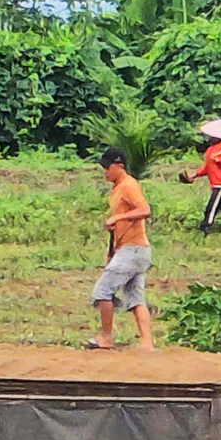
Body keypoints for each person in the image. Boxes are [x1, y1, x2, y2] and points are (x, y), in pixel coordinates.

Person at [86, 147, 154, 351]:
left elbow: (145, 210)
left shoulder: (128, 185)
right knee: (135, 296)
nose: (104, 171)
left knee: (103, 290)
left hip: (133, 250)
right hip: (132, 249)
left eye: (107, 167)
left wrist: (118, 217)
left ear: (119, 166)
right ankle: (146, 342)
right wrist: (112, 250)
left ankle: (106, 337)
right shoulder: (117, 188)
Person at [180, 118, 221, 236]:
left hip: (220, 184)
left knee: (211, 208)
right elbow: (207, 168)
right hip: (215, 183)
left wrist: (218, 159)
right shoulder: (211, 149)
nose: (207, 138)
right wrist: (194, 174)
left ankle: (205, 228)